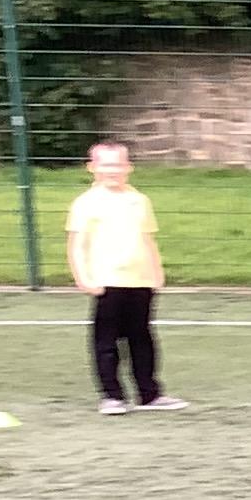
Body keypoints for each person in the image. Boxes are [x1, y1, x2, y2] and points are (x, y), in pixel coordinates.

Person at [66, 140, 184, 414]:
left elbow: (147, 239)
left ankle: (149, 394)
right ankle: (112, 396)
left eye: (118, 165)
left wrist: (156, 272)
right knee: (106, 341)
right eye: (106, 165)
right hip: (106, 281)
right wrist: (83, 277)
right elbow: (77, 245)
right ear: (92, 168)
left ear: (128, 167)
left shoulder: (139, 200)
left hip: (140, 281)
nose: (113, 171)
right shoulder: (86, 204)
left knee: (142, 339)